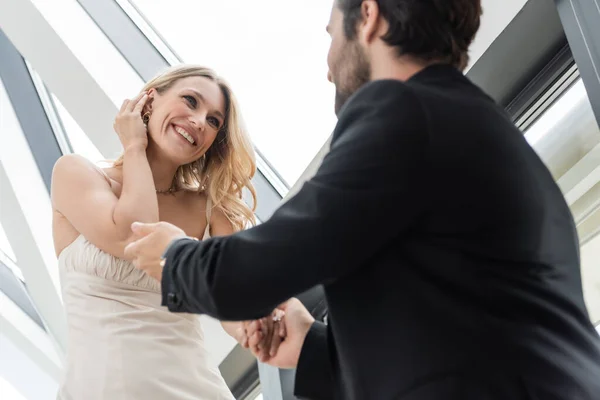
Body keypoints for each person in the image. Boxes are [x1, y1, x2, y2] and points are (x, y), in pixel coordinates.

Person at [125, 1, 600, 399]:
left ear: (368, 16)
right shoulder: (471, 127)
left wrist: (175, 256)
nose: (328, 66)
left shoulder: (403, 110)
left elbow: (272, 258)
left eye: (332, 35)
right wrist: (308, 347)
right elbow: (453, 340)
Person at [51, 64, 284, 399]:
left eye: (214, 121)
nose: (200, 121)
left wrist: (253, 325)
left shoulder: (210, 209)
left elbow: (234, 301)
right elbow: (133, 235)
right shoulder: (76, 174)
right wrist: (134, 148)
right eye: (191, 101)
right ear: (149, 100)